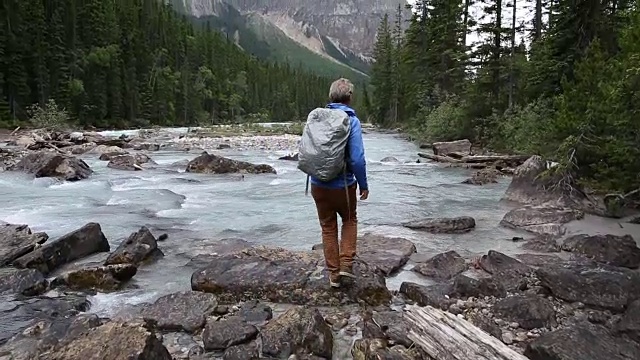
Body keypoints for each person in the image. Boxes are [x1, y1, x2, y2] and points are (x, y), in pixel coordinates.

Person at [309, 78, 369, 288]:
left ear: (331, 96)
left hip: (317, 184)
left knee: (327, 227)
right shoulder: (351, 120)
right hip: (342, 185)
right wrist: (363, 184)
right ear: (349, 96)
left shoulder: (317, 118)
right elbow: (357, 158)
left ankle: (333, 276)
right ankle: (346, 265)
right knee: (350, 220)